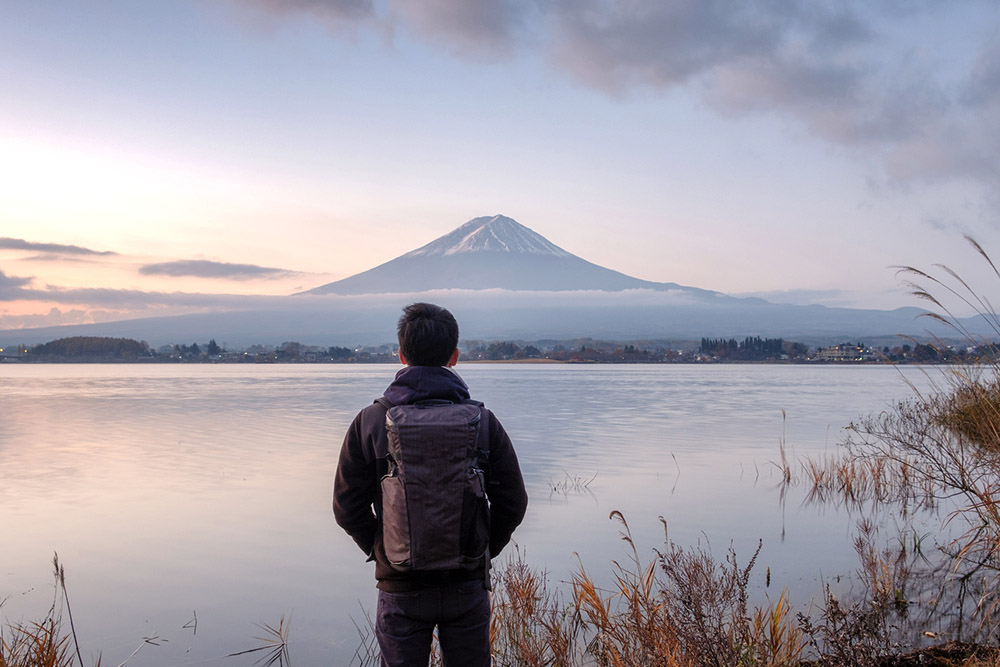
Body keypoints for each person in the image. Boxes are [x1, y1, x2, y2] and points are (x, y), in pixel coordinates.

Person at [334, 302, 528, 666]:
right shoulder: (483, 422)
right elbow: (513, 503)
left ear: (401, 355)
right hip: (465, 586)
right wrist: (481, 551)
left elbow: (346, 507)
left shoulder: (371, 421)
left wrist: (382, 549)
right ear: (454, 356)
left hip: (400, 587)